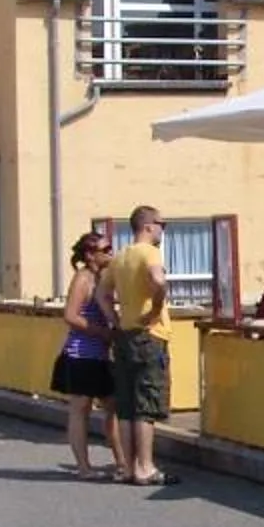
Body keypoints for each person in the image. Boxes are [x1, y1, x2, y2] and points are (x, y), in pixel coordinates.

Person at [99, 206, 169, 486]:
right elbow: (157, 279)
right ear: (149, 226)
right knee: (147, 402)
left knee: (126, 405)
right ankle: (145, 466)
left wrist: (113, 318)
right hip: (149, 334)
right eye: (161, 224)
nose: (163, 230)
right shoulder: (149, 252)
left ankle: (127, 467)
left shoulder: (121, 257)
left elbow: (102, 294)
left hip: (125, 334)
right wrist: (157, 307)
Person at [49, 230, 118, 478]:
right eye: (105, 250)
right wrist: (101, 332)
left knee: (113, 405)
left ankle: (122, 461)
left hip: (100, 355)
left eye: (111, 248)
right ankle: (83, 467)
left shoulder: (103, 278)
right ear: (90, 255)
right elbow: (70, 315)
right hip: (81, 354)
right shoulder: (83, 278)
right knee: (81, 407)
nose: (111, 253)